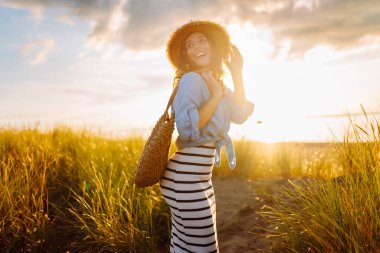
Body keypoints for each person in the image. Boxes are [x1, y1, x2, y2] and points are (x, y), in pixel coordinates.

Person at [160, 20, 254, 253]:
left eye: (202, 40)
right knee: (205, 249)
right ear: (186, 54)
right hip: (185, 179)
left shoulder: (217, 83)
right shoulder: (192, 81)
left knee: (183, 247)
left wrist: (237, 73)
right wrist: (213, 96)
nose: (197, 47)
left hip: (200, 179)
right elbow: (185, 127)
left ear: (213, 45)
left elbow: (240, 114)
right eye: (190, 45)